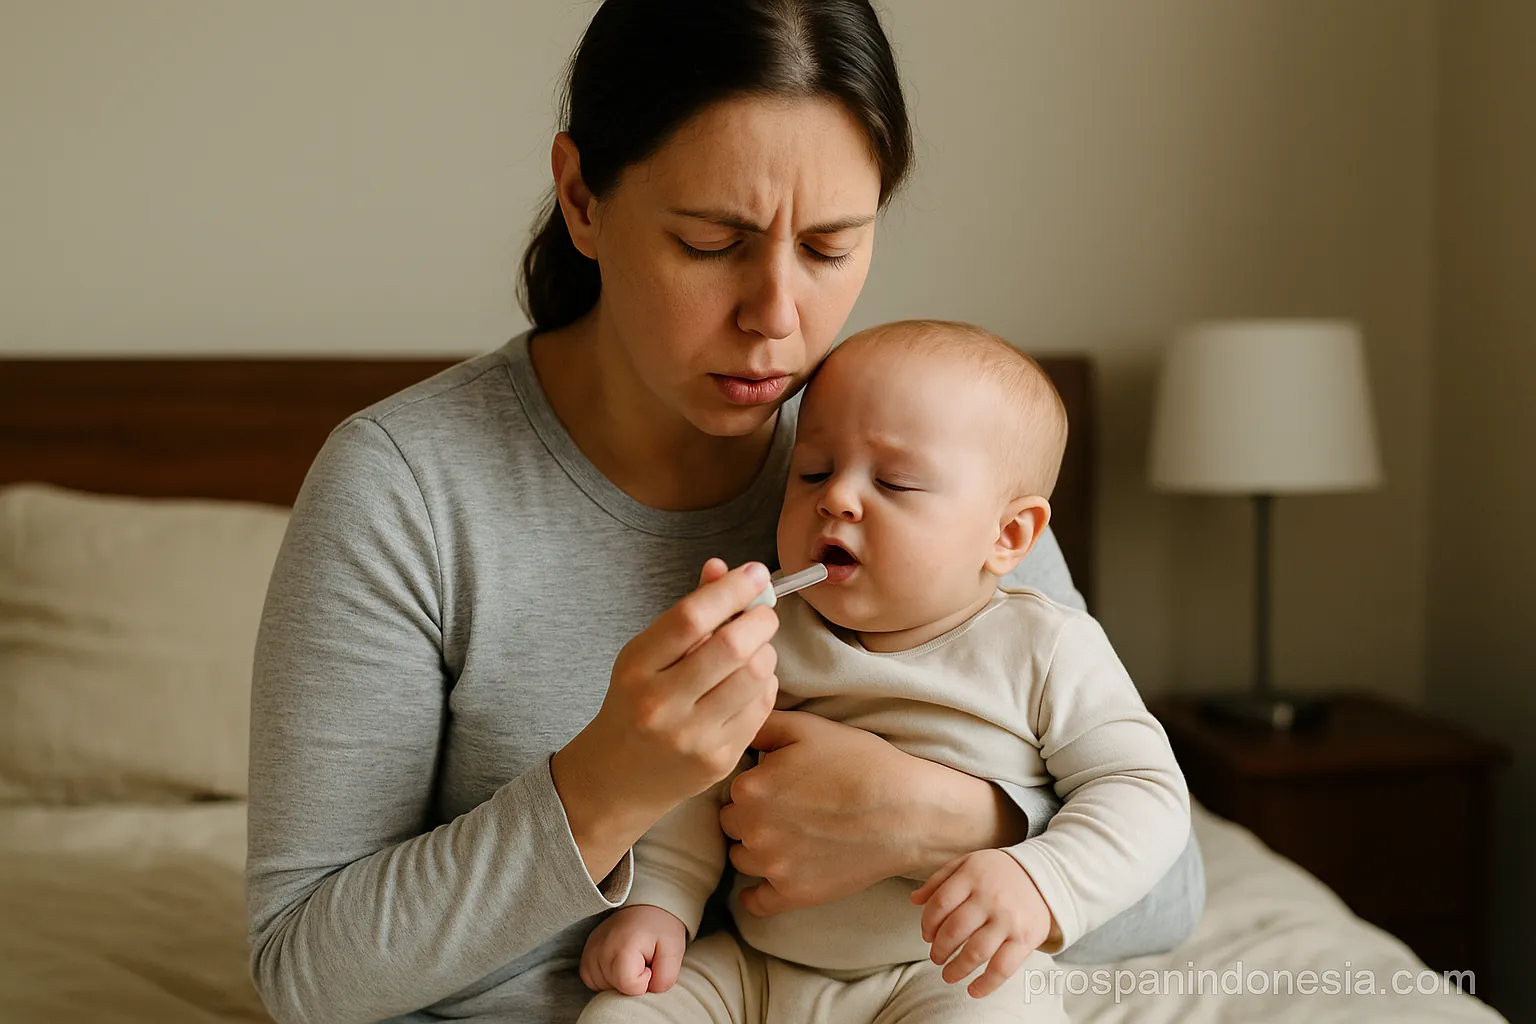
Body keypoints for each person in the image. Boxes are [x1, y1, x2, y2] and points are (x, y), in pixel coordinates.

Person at [245, 3, 1204, 1022]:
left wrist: (940, 817)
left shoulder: (928, 466)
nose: (778, 319)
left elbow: (1172, 886)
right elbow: (306, 972)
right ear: (581, 198)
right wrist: (606, 784)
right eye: (712, 242)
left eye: (833, 247)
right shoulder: (406, 489)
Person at [576, 322, 1191, 1024]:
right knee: (621, 1014)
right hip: (760, 971)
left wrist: (1041, 878)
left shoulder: (1045, 648)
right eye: (811, 472)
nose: (836, 498)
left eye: (895, 481)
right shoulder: (768, 630)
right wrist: (662, 904)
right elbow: (692, 784)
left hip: (946, 973)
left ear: (1009, 535)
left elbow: (1144, 791)